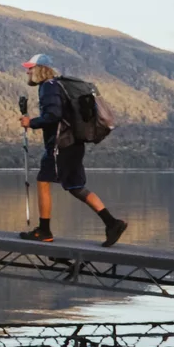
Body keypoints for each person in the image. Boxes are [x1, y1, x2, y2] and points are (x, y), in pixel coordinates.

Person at [18, 54, 128, 247]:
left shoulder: (48, 87)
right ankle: (112, 223)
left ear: (40, 69)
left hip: (61, 145)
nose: (27, 71)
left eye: (30, 68)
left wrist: (31, 122)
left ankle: (44, 231)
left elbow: (53, 115)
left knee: (43, 181)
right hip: (75, 144)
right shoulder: (58, 86)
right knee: (76, 187)